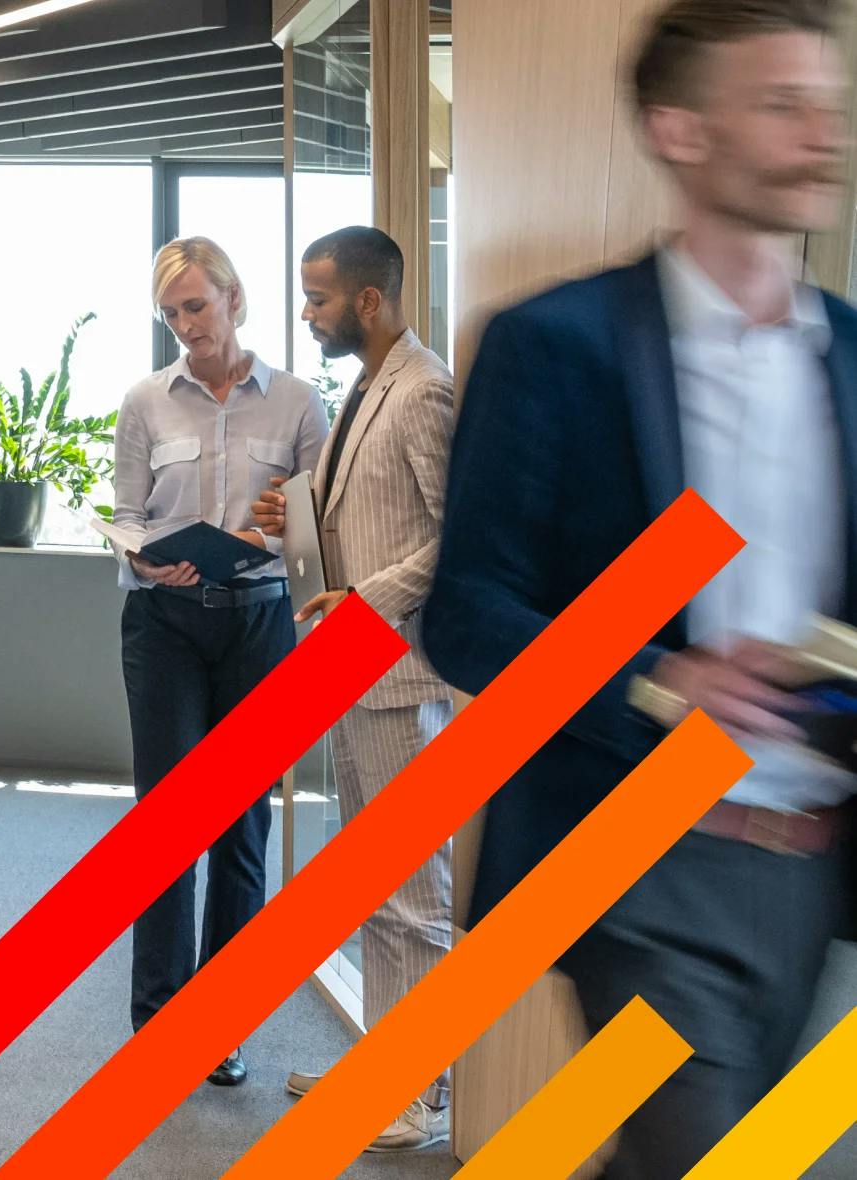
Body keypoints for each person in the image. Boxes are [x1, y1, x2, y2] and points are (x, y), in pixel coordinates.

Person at [420, 3, 852, 1175]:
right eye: (783, 104)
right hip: (643, 854)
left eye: (828, 102)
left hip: (818, 865)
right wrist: (661, 684)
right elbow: (467, 612)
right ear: (681, 130)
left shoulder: (851, 356)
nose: (826, 132)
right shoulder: (559, 344)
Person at [251, 225, 461, 1152]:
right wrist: (290, 516)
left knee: (415, 891)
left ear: (369, 302)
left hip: (402, 677)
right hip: (354, 672)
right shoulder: (364, 389)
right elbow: (365, 517)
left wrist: (364, 601)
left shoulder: (423, 392)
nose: (307, 314)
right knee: (377, 882)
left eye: (320, 298)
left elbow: (460, 537)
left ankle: (425, 1093)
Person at [112, 237, 330, 1086]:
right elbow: (128, 515)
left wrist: (274, 530)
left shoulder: (301, 406)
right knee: (166, 824)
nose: (185, 327)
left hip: (259, 623)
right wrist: (141, 557)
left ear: (235, 300)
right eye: (170, 314)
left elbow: (318, 529)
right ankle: (159, 1020)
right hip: (163, 625)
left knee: (243, 826)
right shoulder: (145, 402)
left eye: (196, 307)